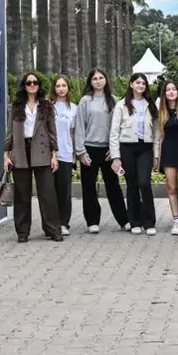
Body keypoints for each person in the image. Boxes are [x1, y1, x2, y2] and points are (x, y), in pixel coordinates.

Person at [3, 72, 62, 243]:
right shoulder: (15, 107)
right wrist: (6, 156)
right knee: (22, 194)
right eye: (28, 83)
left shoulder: (46, 106)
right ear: (24, 85)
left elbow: (52, 131)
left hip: (42, 150)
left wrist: (54, 155)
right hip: (20, 150)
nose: (32, 85)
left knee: (47, 193)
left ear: (39, 85)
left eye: (35, 82)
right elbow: (9, 133)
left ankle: (53, 229)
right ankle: (22, 232)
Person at [74, 69, 129, 233]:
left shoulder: (114, 100)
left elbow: (119, 126)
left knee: (113, 186)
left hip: (108, 150)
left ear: (106, 80)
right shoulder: (85, 101)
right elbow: (79, 127)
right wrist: (81, 152)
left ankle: (124, 220)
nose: (98, 81)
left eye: (101, 78)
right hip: (89, 149)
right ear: (90, 82)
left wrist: (114, 150)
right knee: (88, 187)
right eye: (95, 78)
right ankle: (92, 221)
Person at [110, 73, 157, 235]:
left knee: (144, 182)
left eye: (143, 83)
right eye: (137, 83)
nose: (140, 86)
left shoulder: (150, 104)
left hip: (145, 148)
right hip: (127, 147)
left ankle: (149, 221)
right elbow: (114, 132)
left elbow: (156, 132)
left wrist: (156, 155)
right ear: (131, 84)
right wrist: (116, 157)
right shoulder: (121, 105)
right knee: (132, 184)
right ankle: (135, 220)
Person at [154, 80, 178, 236]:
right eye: (168, 90)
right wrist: (157, 158)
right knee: (171, 188)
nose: (171, 92)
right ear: (164, 93)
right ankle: (176, 220)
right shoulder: (161, 113)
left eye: (173, 89)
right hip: (168, 152)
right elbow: (160, 137)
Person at [49, 75, 77, 236]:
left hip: (66, 153)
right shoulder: (48, 106)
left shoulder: (73, 108)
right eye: (58, 86)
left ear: (68, 88)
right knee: (49, 191)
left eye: (64, 85)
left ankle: (63, 223)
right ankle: (51, 223)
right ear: (54, 88)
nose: (61, 89)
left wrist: (74, 154)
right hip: (49, 154)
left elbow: (73, 132)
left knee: (64, 191)